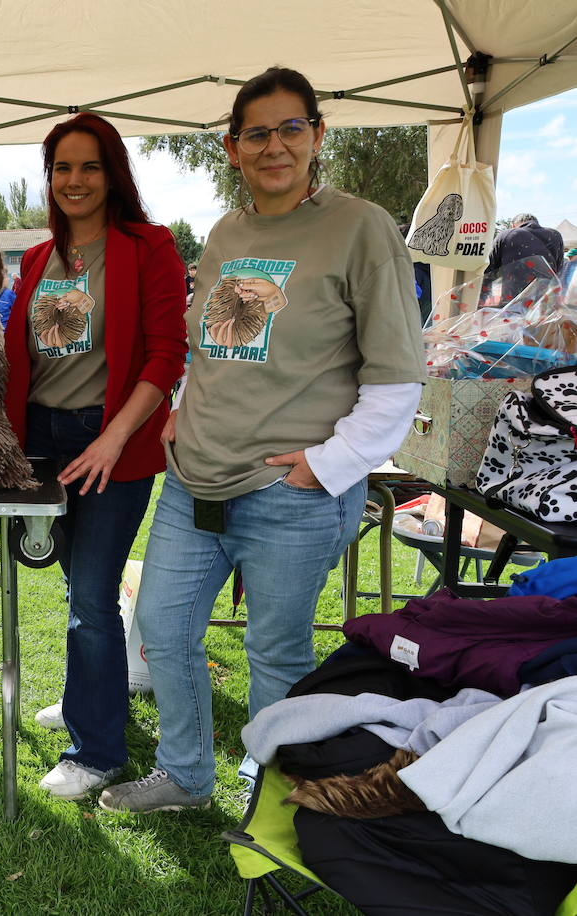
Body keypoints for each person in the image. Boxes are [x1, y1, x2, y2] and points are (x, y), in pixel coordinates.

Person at [101, 67, 424, 813]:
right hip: (193, 480)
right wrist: (183, 407)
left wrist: (327, 466)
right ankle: (185, 776)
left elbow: (396, 378)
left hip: (290, 493)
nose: (274, 145)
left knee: (275, 652)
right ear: (232, 146)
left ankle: (271, 794)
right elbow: (212, 342)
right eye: (256, 132)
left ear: (317, 135)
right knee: (163, 627)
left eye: (290, 128)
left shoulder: (361, 227)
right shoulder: (227, 231)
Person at [2, 113, 187, 799]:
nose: (74, 180)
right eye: (62, 167)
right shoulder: (34, 258)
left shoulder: (148, 247)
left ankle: (97, 751)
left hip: (113, 443)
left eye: (89, 166)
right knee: (75, 586)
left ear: (112, 175)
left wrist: (114, 436)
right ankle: (91, 697)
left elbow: (168, 354)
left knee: (92, 599)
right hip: (40, 443)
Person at [485, 213, 565, 303]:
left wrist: (480, 301)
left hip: (513, 302)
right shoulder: (555, 235)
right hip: (546, 301)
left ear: (513, 225)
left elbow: (488, 270)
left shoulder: (507, 235)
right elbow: (560, 271)